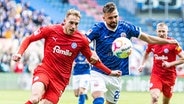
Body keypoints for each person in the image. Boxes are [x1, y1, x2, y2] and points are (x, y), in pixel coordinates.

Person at [12, 9, 121, 104]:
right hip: (45, 70)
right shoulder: (51, 30)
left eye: (76, 24)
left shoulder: (81, 40)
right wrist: (19, 53)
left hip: (61, 80)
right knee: (35, 98)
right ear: (64, 21)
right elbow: (29, 39)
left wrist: (109, 72)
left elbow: (93, 60)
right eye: (71, 23)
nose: (73, 26)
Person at [85, 2, 178, 104]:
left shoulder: (126, 27)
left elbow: (147, 38)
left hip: (116, 74)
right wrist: (91, 52)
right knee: (98, 98)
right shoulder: (98, 28)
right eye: (110, 18)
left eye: (116, 16)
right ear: (104, 18)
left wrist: (168, 41)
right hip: (98, 71)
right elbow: (84, 42)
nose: (114, 20)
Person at [138, 22, 184, 104]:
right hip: (156, 75)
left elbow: (183, 58)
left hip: (170, 77)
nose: (161, 33)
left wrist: (170, 64)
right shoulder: (152, 43)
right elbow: (146, 53)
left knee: (165, 102)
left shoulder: (173, 44)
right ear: (156, 32)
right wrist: (142, 64)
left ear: (167, 32)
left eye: (163, 31)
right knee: (154, 97)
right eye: (159, 31)